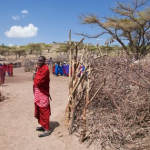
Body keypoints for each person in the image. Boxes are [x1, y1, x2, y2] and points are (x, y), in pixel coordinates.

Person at [33, 56, 51, 137]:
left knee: (44, 110)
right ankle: (43, 126)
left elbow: (38, 81)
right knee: (40, 109)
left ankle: (47, 130)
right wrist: (35, 70)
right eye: (38, 60)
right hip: (38, 91)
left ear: (44, 61)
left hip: (43, 92)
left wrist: (35, 81)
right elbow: (34, 78)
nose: (39, 62)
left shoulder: (45, 69)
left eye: (41, 60)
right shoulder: (39, 68)